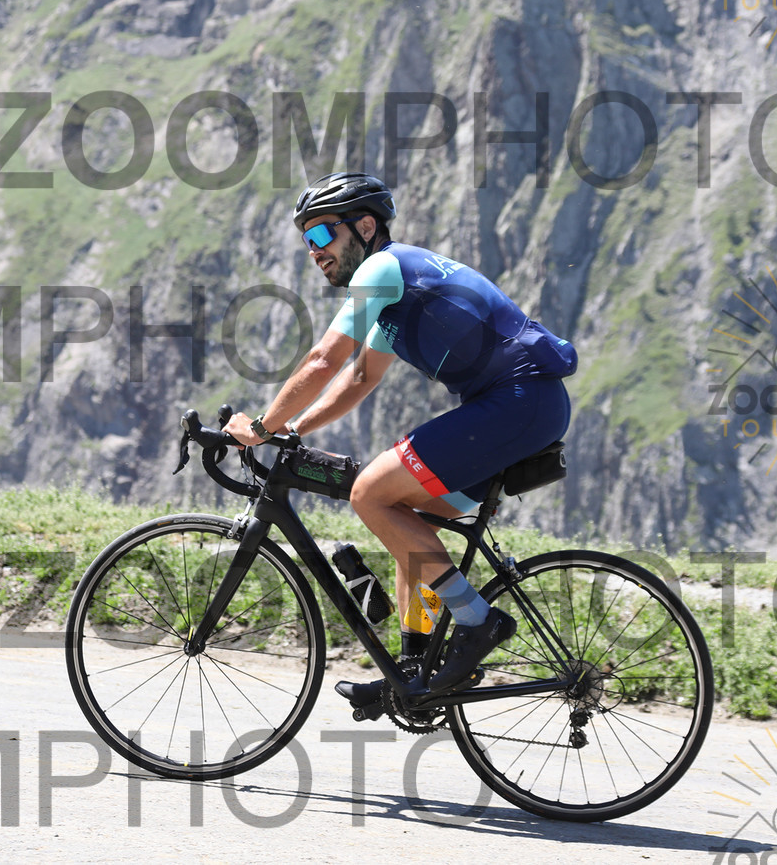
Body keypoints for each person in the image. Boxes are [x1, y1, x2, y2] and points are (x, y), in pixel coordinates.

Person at [224, 172, 577, 709]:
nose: (314, 250)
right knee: (408, 524)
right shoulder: (397, 291)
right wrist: (294, 429)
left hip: (518, 400)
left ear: (365, 227)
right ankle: (414, 673)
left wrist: (261, 429)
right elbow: (360, 378)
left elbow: (323, 361)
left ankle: (478, 622)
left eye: (321, 234)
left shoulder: (382, 269)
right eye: (306, 240)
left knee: (370, 493)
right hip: (525, 406)